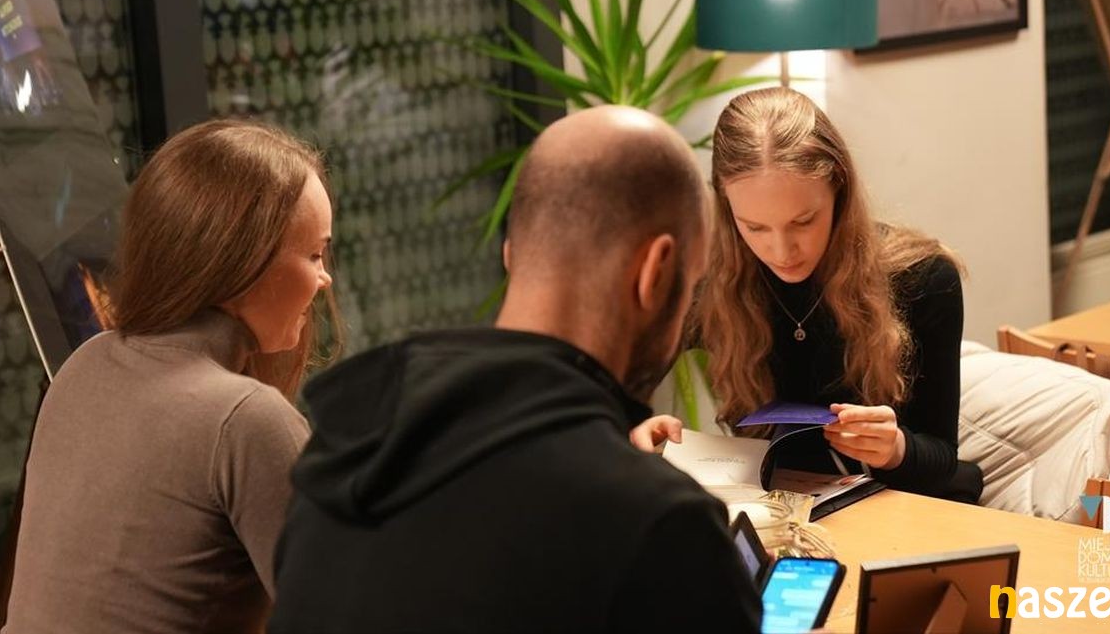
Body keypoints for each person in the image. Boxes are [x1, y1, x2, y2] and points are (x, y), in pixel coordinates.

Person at [268, 106, 762, 634]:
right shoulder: (659, 525)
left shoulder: (345, 452)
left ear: (512, 254)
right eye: (690, 287)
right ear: (655, 273)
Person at [4, 120, 340, 634]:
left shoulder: (84, 364)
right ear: (243, 260)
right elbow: (352, 612)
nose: (324, 279)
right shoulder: (244, 420)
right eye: (314, 254)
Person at [695, 87, 982, 503]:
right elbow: (613, 385)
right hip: (778, 511)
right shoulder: (713, 281)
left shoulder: (921, 278)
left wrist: (896, 448)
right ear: (726, 207)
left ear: (839, 190)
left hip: (899, 506)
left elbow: (941, 461)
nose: (781, 251)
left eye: (803, 221)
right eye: (754, 227)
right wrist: (639, 428)